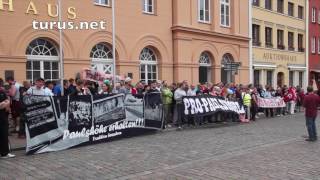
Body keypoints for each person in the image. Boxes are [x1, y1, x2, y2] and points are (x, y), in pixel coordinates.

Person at [0, 83, 15, 158]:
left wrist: (6, 104)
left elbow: (7, 101)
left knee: (4, 134)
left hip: (3, 117)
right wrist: (3, 104)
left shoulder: (2, 92)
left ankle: (4, 153)